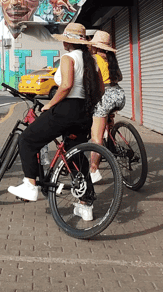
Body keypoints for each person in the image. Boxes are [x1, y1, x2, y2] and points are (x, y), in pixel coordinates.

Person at [7, 22, 103, 220]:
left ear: (68, 42)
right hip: (84, 112)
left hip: (65, 110)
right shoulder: (92, 61)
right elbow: (101, 90)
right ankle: (85, 207)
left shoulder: (68, 58)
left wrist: (50, 104)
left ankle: (30, 185)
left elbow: (66, 85)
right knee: (75, 155)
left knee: (27, 140)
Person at [88, 30, 125, 182]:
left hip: (106, 95)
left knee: (96, 138)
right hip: (119, 95)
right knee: (107, 121)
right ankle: (112, 143)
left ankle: (93, 171)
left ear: (95, 46)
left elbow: (92, 83)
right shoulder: (111, 58)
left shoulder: (94, 59)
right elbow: (120, 77)